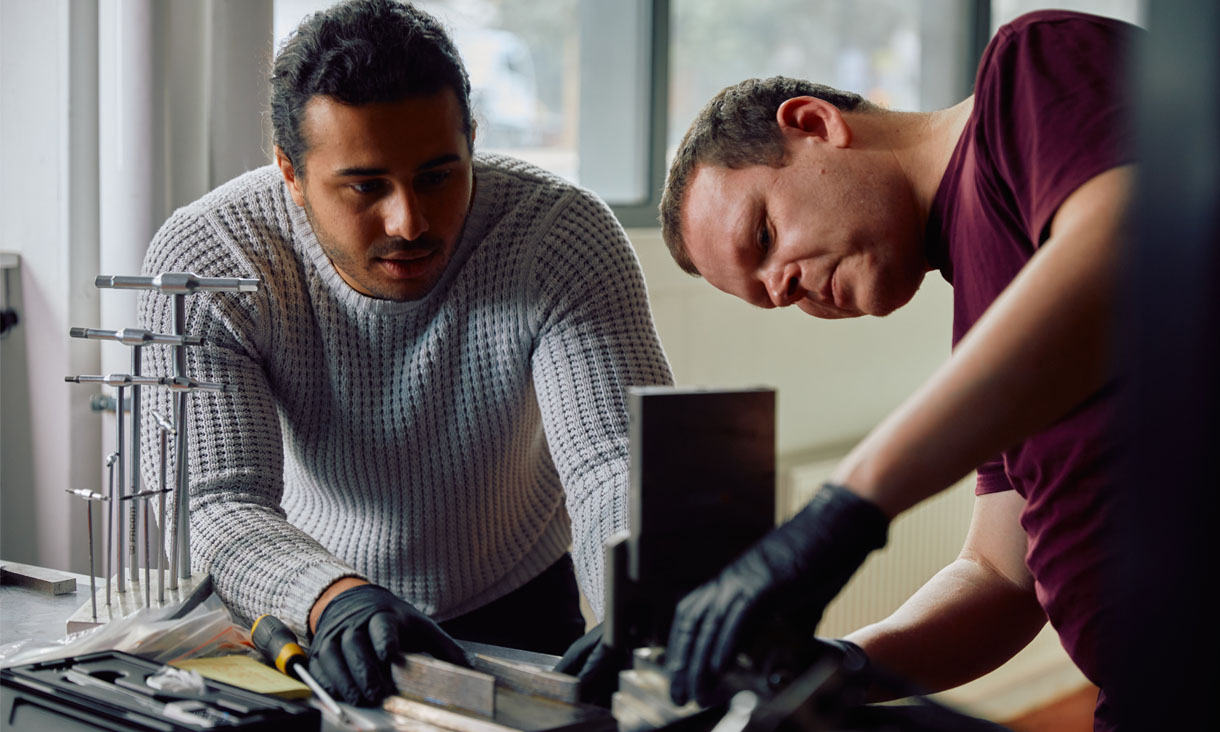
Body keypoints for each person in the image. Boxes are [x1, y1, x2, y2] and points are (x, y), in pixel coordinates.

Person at [136, 0, 671, 706]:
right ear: (290, 174)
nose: (409, 221)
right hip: (314, 606)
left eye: (437, 175)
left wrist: (640, 598)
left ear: (472, 141)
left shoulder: (558, 233)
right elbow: (213, 501)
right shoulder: (209, 258)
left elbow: (615, 461)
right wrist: (329, 596)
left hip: (520, 597)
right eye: (365, 185)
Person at [653, 10, 1139, 730]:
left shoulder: (1030, 67)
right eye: (766, 298)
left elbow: (1125, 245)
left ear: (815, 123)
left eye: (765, 236)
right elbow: (1004, 575)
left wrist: (846, 507)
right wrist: (835, 663)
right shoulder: (985, 308)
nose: (783, 289)